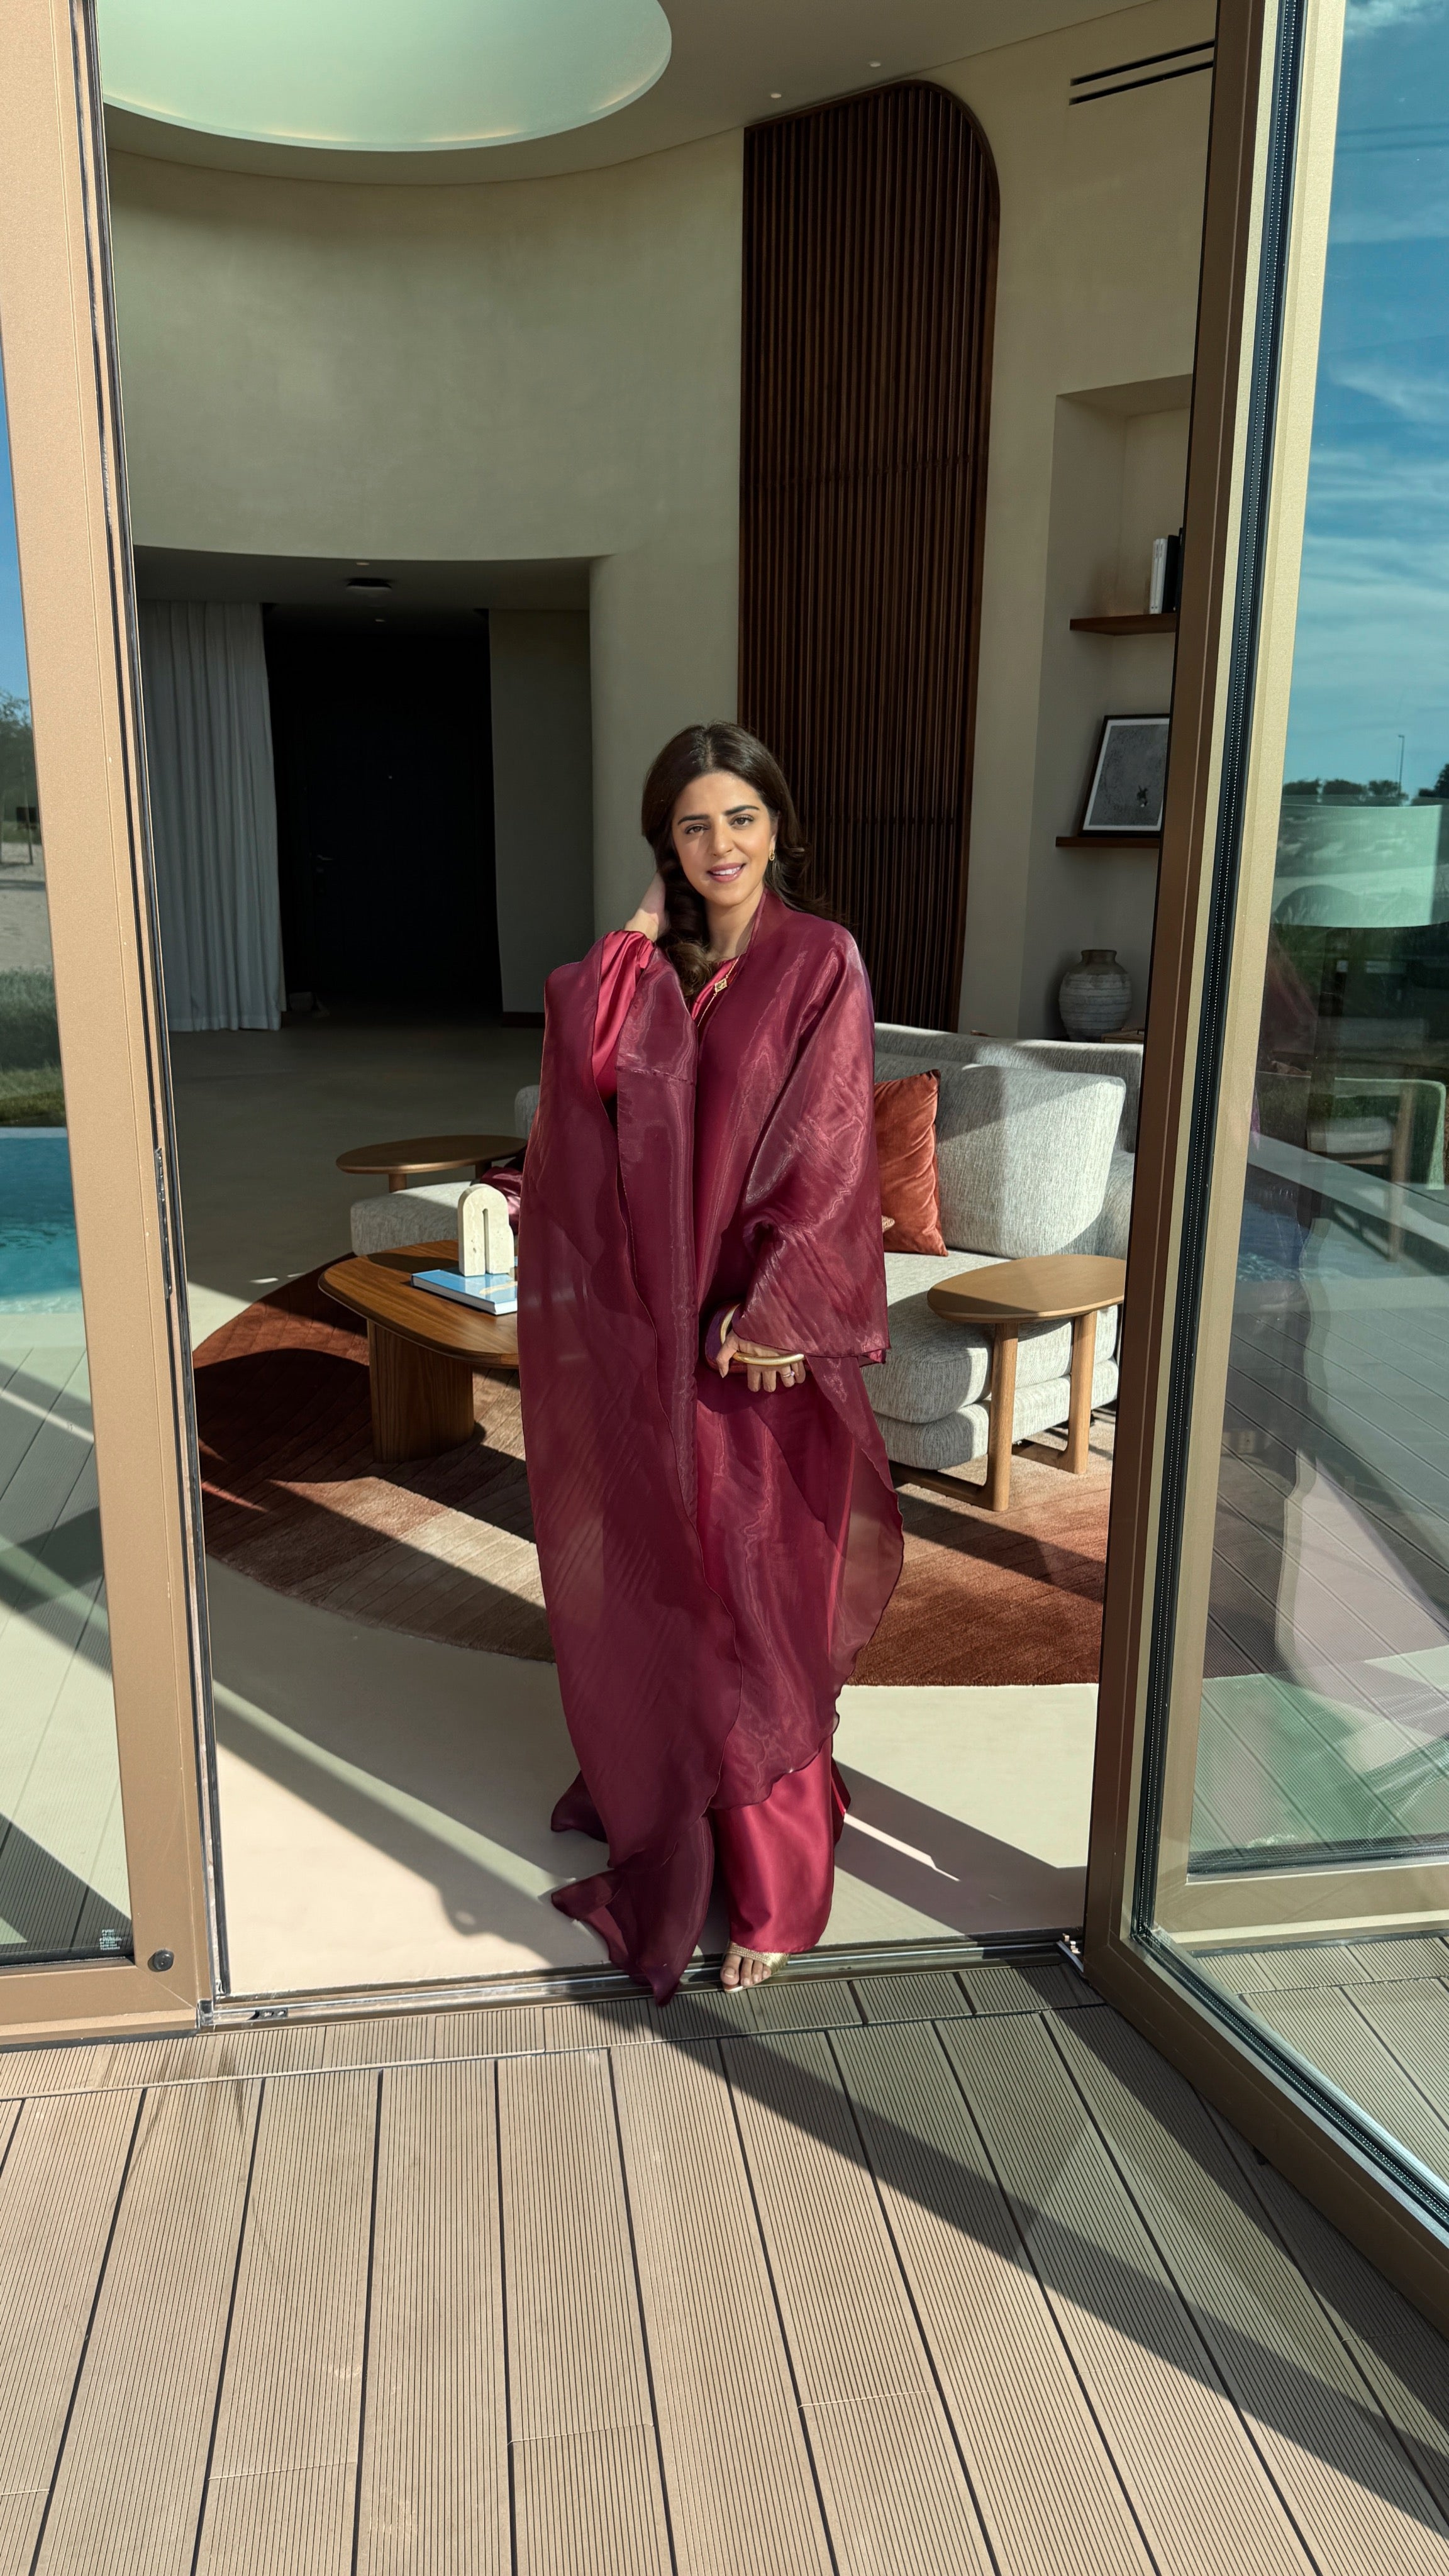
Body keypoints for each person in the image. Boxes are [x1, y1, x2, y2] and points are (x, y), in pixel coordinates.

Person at [518, 721, 902, 2001]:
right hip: (649, 1335)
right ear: (666, 844)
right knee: (660, 1578)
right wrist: (645, 921)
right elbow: (582, 1065)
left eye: (741, 817)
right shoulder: (668, 968)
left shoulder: (818, 958)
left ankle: (782, 1892)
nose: (721, 844)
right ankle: (667, 1790)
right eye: (693, 825)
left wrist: (783, 1309)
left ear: (778, 825)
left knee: (749, 1603)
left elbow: (829, 1142)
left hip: (750, 1345)